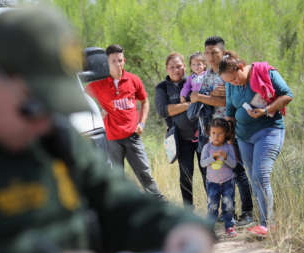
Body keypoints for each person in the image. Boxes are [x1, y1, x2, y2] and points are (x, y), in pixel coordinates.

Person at [0, 8, 215, 253]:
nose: (46, 121)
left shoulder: (51, 136)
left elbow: (117, 199)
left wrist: (179, 226)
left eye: (56, 108)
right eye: (35, 106)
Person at [219, 50, 293, 237]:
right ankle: (264, 223)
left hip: (269, 131)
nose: (234, 83)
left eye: (235, 78)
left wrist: (266, 109)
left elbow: (287, 95)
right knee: (254, 178)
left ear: (241, 67)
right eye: (230, 82)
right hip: (244, 137)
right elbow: (229, 109)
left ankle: (268, 224)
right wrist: (227, 136)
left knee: (261, 176)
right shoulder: (230, 84)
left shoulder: (265, 72)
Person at [188, 36, 254, 226]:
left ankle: (248, 212)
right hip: (214, 131)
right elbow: (208, 101)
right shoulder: (208, 74)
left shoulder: (228, 73)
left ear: (223, 52)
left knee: (238, 169)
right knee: (218, 169)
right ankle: (226, 213)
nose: (210, 56)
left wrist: (200, 96)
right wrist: (205, 97)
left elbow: (225, 101)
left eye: (214, 52)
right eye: (207, 52)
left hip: (232, 127)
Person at [85, 44, 164, 200]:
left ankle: (160, 204)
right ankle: (123, 210)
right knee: (117, 177)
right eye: (113, 61)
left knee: (145, 173)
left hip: (132, 136)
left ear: (124, 61)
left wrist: (142, 123)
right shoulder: (98, 85)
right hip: (112, 139)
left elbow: (145, 102)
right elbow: (80, 95)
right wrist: (97, 111)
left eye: (120, 60)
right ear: (107, 63)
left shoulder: (133, 80)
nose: (118, 64)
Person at [154, 53, 202, 208]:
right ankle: (189, 211)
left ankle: (215, 210)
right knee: (186, 175)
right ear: (167, 69)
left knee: (209, 174)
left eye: (179, 66)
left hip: (203, 135)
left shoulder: (194, 81)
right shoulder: (162, 87)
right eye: (172, 67)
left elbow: (203, 101)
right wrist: (188, 105)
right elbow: (162, 111)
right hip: (181, 139)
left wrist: (175, 108)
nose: (176, 70)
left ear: (184, 67)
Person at [200, 118, 237, 237]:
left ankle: (230, 227)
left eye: (220, 133)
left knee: (229, 205)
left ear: (225, 134)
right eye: (213, 133)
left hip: (228, 182)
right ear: (209, 133)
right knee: (212, 206)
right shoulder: (207, 148)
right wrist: (212, 158)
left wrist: (226, 157)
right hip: (212, 183)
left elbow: (234, 164)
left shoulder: (228, 147)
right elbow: (202, 163)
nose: (216, 136)